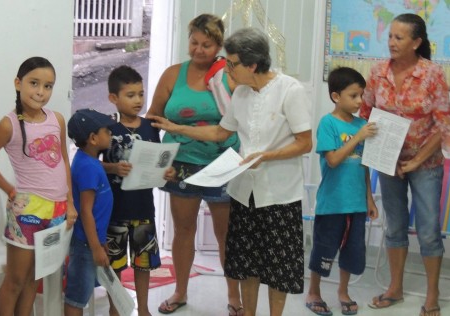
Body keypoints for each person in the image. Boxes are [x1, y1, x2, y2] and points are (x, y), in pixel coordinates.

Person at [150, 27, 313, 316]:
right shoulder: (241, 94)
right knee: (246, 263)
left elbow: (305, 143)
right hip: (243, 191)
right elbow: (220, 132)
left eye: (232, 63)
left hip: (279, 194)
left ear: (252, 64)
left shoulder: (290, 89)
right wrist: (177, 128)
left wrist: (269, 155)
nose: (227, 68)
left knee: (278, 267)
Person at [146, 13, 243, 315]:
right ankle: (180, 291)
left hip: (223, 162)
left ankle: (234, 297)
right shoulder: (173, 74)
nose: (199, 50)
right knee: (183, 230)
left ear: (219, 46)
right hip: (182, 163)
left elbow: (242, 119)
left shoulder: (229, 74)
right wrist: (148, 160)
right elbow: (153, 119)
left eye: (207, 45)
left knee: (226, 234)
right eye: (194, 43)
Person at [360, 13, 450, 316]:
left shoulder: (432, 74)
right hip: (387, 163)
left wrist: (416, 161)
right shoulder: (376, 72)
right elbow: (365, 114)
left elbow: (443, 126)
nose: (392, 42)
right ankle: (395, 288)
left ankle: (432, 295)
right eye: (390, 36)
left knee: (428, 230)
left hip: (425, 164)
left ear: (416, 42)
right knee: (394, 226)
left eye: (399, 38)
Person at [0, 57, 77, 316]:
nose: (41, 92)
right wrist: (10, 190)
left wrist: (69, 203)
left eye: (48, 86)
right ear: (18, 83)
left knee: (34, 280)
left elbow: (64, 162)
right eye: (34, 83)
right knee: (14, 281)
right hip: (27, 212)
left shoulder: (57, 119)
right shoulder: (8, 124)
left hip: (56, 211)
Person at [102, 65, 176, 316]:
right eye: (130, 95)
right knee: (115, 266)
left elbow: (158, 163)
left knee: (143, 265)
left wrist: (166, 172)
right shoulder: (106, 129)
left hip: (144, 209)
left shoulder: (151, 128)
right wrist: (112, 167)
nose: (138, 100)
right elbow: (90, 164)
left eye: (140, 94)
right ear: (113, 98)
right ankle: (116, 309)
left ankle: (143, 309)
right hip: (114, 211)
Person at [305, 67, 379, 316]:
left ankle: (343, 291)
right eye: (354, 96)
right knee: (324, 249)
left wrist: (369, 198)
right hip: (332, 202)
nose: (359, 101)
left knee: (352, 251)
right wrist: (358, 137)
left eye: (361, 96)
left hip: (356, 204)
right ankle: (314, 292)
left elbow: (365, 166)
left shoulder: (362, 125)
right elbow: (333, 160)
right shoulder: (328, 123)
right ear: (336, 96)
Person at [64, 108, 116, 316]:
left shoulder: (88, 161)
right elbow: (86, 211)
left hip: (90, 241)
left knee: (82, 294)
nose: (110, 134)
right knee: (76, 298)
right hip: (85, 244)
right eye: (106, 130)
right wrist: (95, 248)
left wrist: (99, 241)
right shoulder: (88, 167)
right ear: (93, 138)